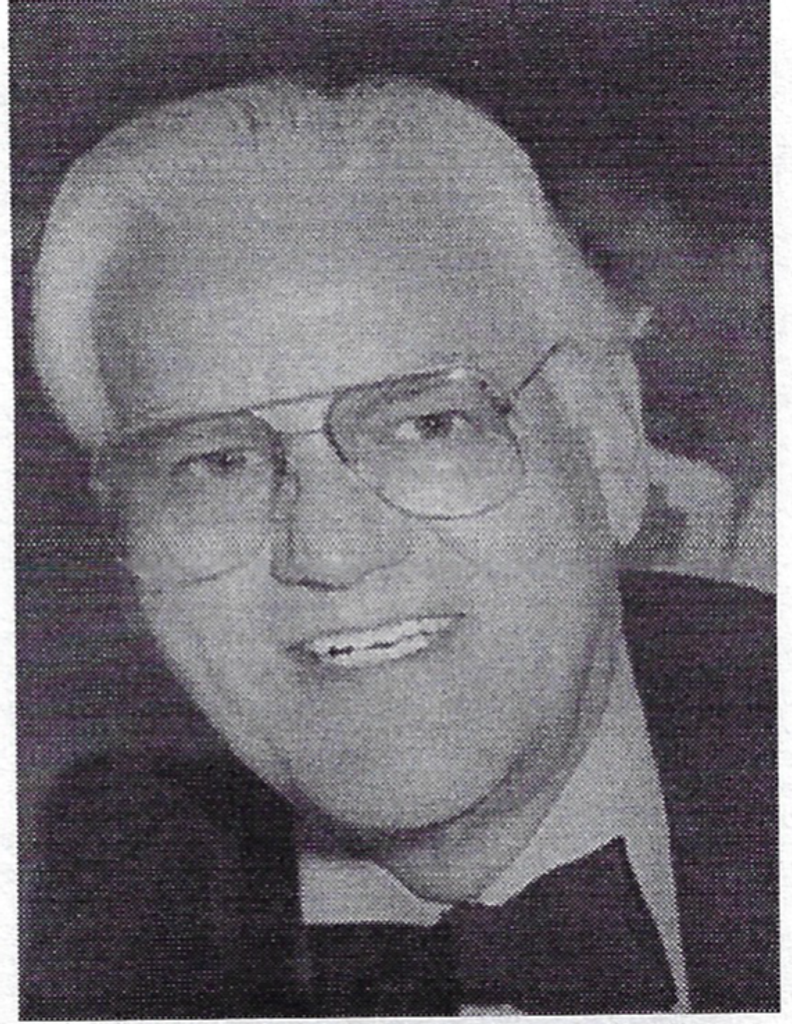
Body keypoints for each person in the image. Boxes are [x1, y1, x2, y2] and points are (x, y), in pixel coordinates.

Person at [22, 77, 776, 1018]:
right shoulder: (97, 905)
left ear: (607, 447)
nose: (330, 551)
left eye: (428, 425)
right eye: (214, 463)